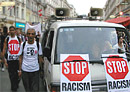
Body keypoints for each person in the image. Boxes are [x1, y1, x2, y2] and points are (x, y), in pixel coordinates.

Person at [2, 26, 21, 92]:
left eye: (13, 30)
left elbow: (21, 48)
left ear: (15, 31)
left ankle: (16, 83)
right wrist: (4, 60)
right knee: (11, 74)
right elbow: (4, 49)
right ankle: (14, 87)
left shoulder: (18, 38)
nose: (11, 31)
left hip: (17, 59)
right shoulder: (7, 39)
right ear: (9, 31)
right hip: (10, 59)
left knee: (17, 74)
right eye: (10, 30)